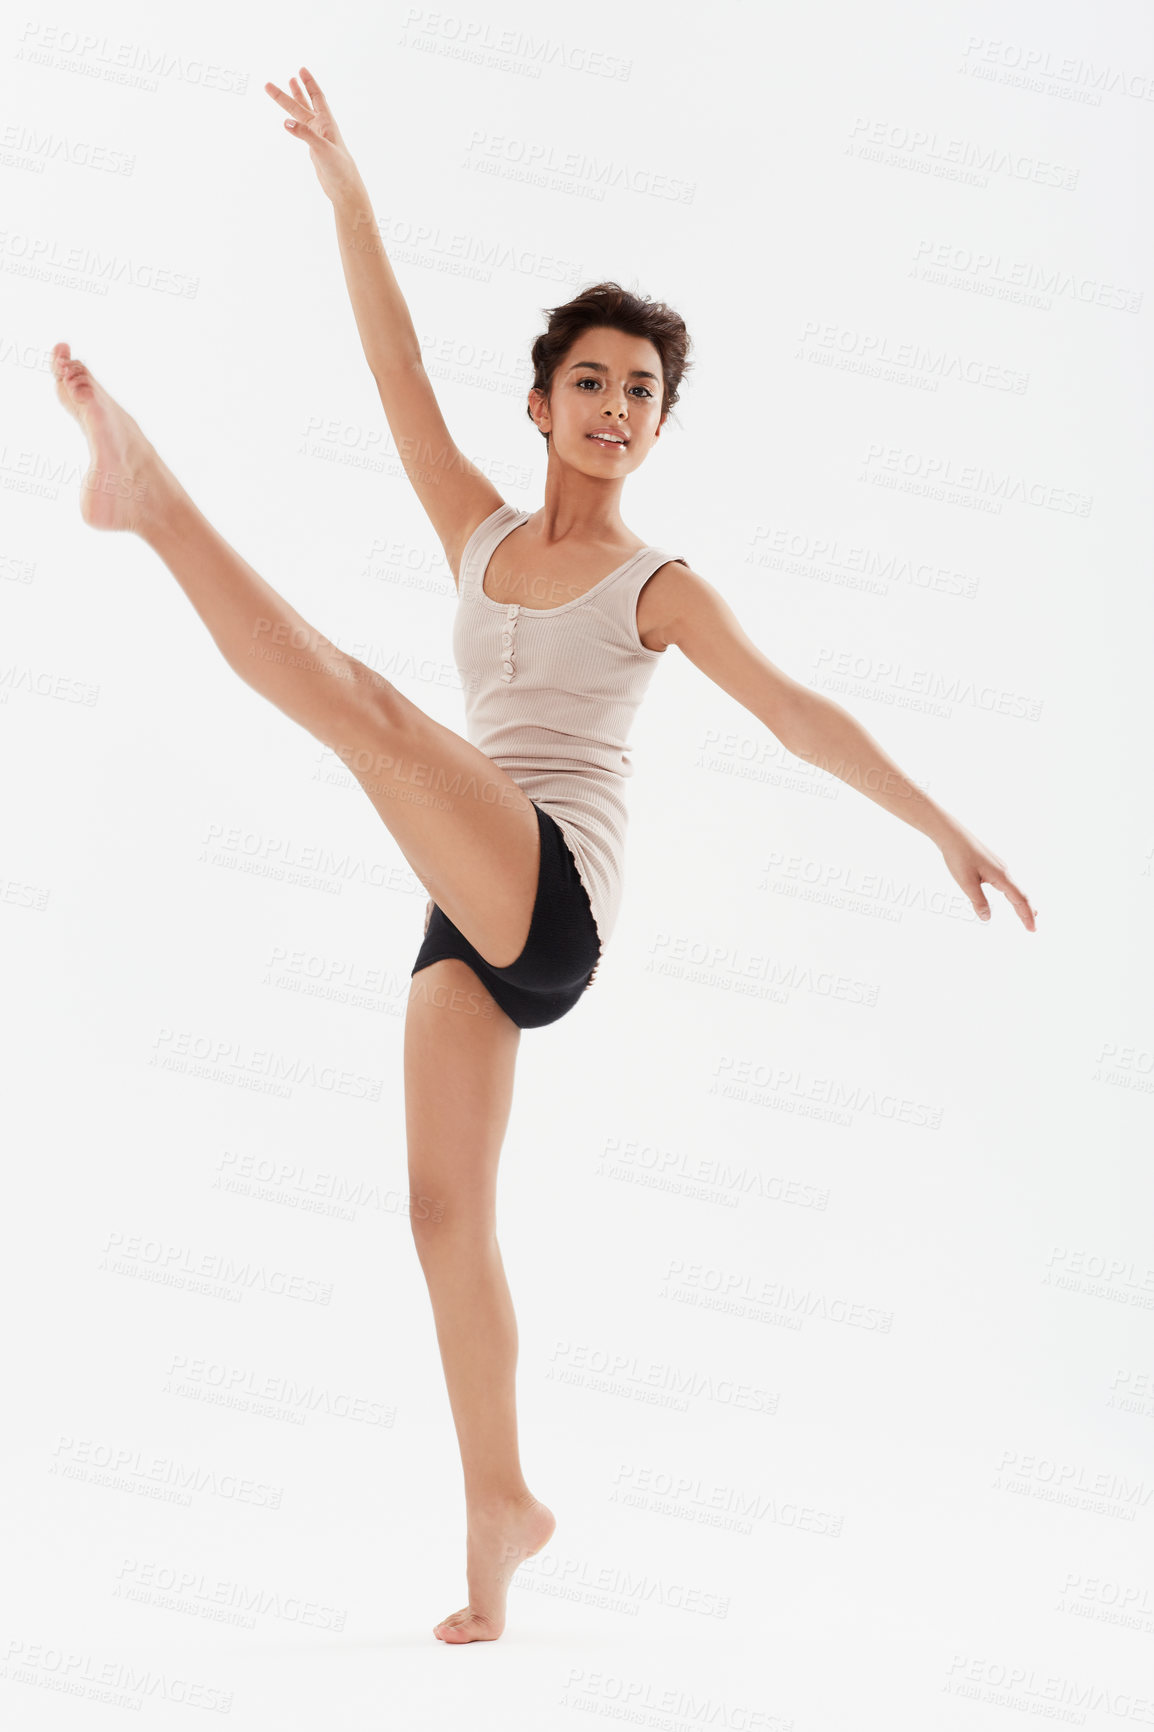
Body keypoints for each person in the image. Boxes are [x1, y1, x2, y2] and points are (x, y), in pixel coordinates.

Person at [48, 66, 1036, 1646]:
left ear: (656, 422)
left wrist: (941, 824)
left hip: (554, 892)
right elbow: (392, 375)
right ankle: (500, 1512)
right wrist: (345, 184)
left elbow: (794, 711)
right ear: (542, 402)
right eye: (590, 380)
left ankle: (156, 503)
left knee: (365, 709)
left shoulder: (658, 583)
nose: (616, 406)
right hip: (467, 902)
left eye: (642, 391)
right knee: (443, 1215)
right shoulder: (483, 529)